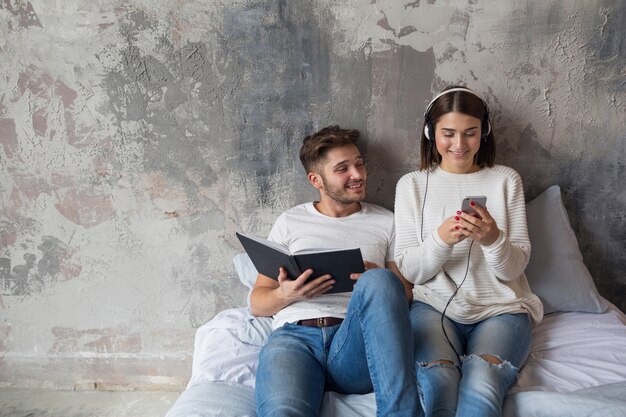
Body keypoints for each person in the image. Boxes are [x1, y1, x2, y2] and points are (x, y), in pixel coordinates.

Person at [251, 125, 422, 417]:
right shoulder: (290, 222)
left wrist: (376, 280)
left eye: (359, 163)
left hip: (354, 343)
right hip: (295, 340)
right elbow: (257, 303)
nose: (358, 174)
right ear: (316, 179)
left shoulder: (386, 222)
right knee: (283, 411)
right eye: (343, 168)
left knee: (381, 280)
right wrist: (286, 293)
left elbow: (406, 294)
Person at [394, 87, 544, 417]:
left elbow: (512, 270)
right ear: (430, 133)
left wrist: (492, 239)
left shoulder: (506, 180)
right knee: (439, 382)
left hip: (501, 309)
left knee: (482, 383)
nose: (459, 145)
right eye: (448, 134)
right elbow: (410, 271)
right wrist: (441, 240)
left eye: (470, 133)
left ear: (484, 132)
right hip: (433, 309)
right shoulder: (412, 185)